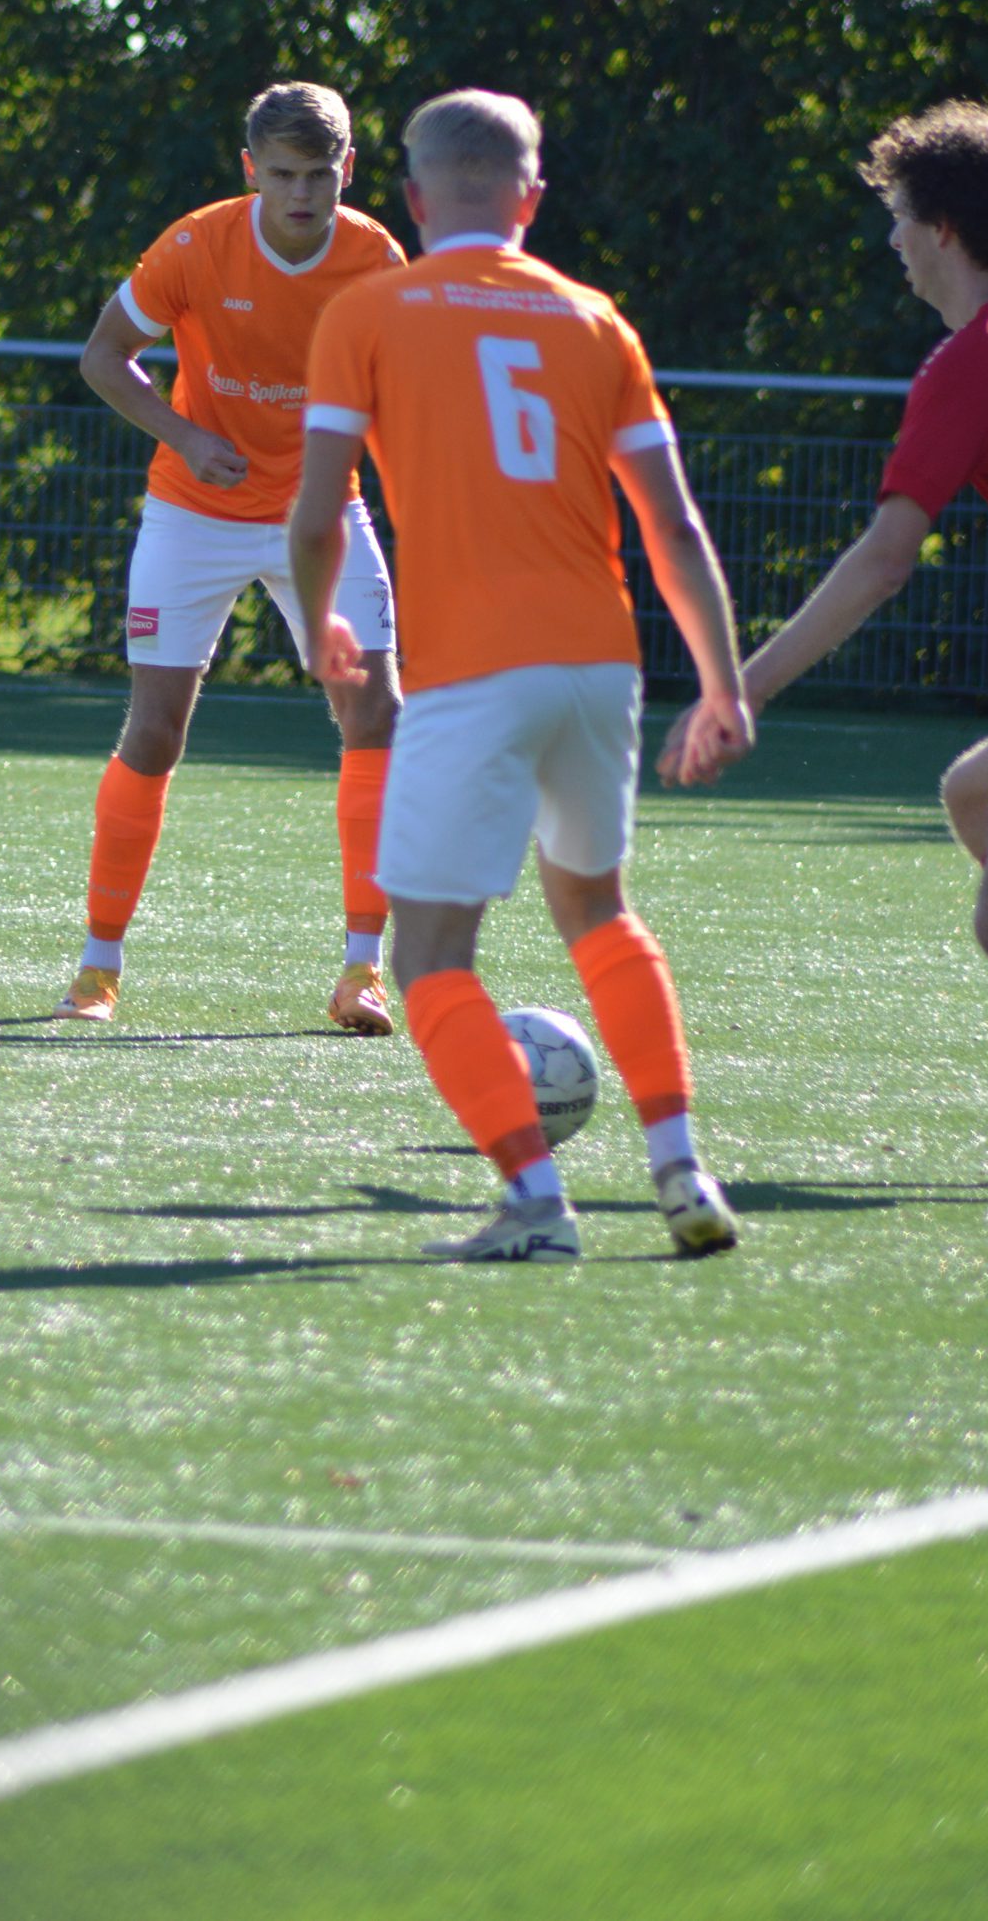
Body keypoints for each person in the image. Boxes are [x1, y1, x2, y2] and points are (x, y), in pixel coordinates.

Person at [288, 88, 751, 1261]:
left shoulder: (366, 310)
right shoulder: (595, 321)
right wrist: (722, 683)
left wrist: (320, 618)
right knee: (596, 909)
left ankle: (536, 1204)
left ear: (409, 197)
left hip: (471, 672)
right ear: (530, 199)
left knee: (429, 957)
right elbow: (672, 526)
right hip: (600, 665)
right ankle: (678, 1167)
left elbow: (316, 511)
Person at [660, 98, 988, 1198]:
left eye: (900, 217)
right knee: (974, 796)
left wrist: (739, 688)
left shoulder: (977, 358)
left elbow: (883, 562)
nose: (891, 239)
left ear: (944, 228)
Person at [53, 81, 405, 1034]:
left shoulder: (377, 257)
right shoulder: (195, 245)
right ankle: (96, 969)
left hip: (323, 515)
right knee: (155, 731)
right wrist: (182, 434)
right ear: (251, 170)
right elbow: (103, 355)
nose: (301, 194)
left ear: (347, 171)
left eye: (319, 175)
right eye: (282, 175)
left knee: (376, 712)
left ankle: (363, 972)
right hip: (193, 513)